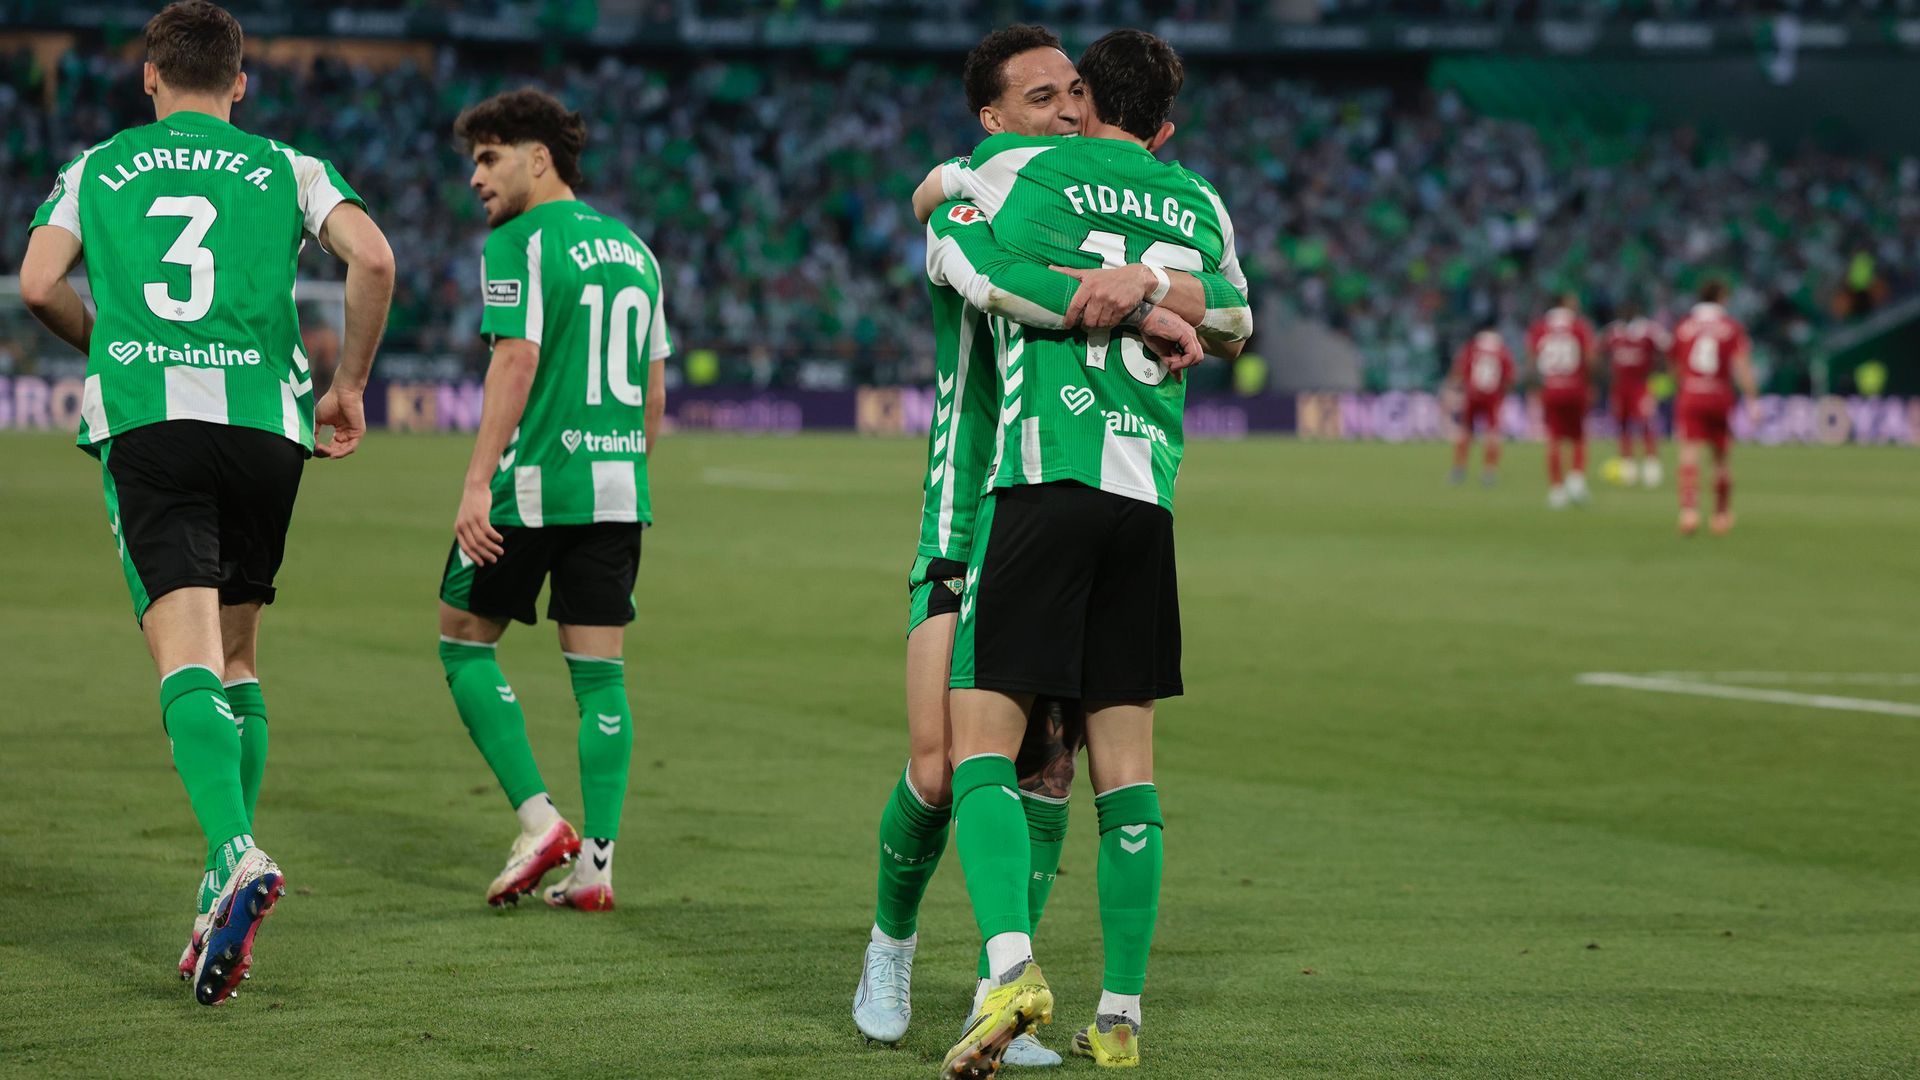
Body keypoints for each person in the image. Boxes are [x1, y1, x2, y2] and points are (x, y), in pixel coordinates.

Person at [856, 25, 1249, 1067]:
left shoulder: (1050, 191)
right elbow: (951, 214)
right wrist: (949, 180)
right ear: (993, 120)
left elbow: (1219, 310)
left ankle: (1001, 983)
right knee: (942, 767)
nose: (1068, 111)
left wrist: (1150, 297)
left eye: (1077, 92)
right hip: (972, 501)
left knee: (1049, 767)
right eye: (1041, 97)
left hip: (1061, 488)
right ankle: (891, 944)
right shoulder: (990, 182)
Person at [17, 0, 393, 1005]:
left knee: (184, 656)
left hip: (154, 422)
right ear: (240, 81)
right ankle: (214, 887)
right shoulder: (289, 165)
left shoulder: (97, 166)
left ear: (150, 77)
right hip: (268, 429)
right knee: (237, 658)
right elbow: (377, 259)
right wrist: (348, 384)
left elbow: (40, 281)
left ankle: (232, 850)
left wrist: (103, 341)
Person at [436, 88, 668, 912]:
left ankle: (540, 820)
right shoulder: (637, 251)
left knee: (463, 641)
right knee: (600, 676)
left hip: (532, 487)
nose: (475, 177)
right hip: (616, 489)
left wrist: (475, 481)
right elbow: (651, 388)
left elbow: (515, 360)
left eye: (489, 157)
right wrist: (632, 471)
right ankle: (597, 869)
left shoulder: (518, 241)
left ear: (539, 158)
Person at [1669, 281, 1757, 536]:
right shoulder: (1730, 327)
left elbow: (1674, 365)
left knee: (1688, 452)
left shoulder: (1684, 325)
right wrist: (1752, 399)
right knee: (1720, 458)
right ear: (1722, 297)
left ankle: (1689, 511)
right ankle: (1720, 515)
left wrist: (1682, 389)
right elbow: (1741, 365)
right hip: (1719, 393)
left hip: (1691, 391)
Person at [1527, 294, 1597, 509]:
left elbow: (1532, 360)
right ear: (1565, 304)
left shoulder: (1540, 328)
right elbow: (1590, 358)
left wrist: (1535, 387)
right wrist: (1590, 383)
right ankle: (1576, 478)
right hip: (1575, 386)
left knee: (1554, 438)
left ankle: (1557, 489)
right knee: (1578, 435)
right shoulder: (1579, 326)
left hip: (1550, 388)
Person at [1601, 301, 1669, 487]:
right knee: (1622, 424)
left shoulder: (1649, 331)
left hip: (1642, 385)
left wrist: (1659, 379)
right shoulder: (1613, 331)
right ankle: (1627, 464)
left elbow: (1665, 351)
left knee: (1646, 422)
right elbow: (1602, 354)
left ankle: (1651, 464)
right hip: (1620, 386)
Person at [1447, 325, 1514, 486]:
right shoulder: (1502, 350)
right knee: (1492, 433)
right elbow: (1509, 377)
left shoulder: (1472, 347)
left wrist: (1457, 388)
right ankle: (1489, 471)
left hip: (1472, 394)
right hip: (1493, 396)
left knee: (1466, 430)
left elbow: (1460, 370)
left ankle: (1459, 469)